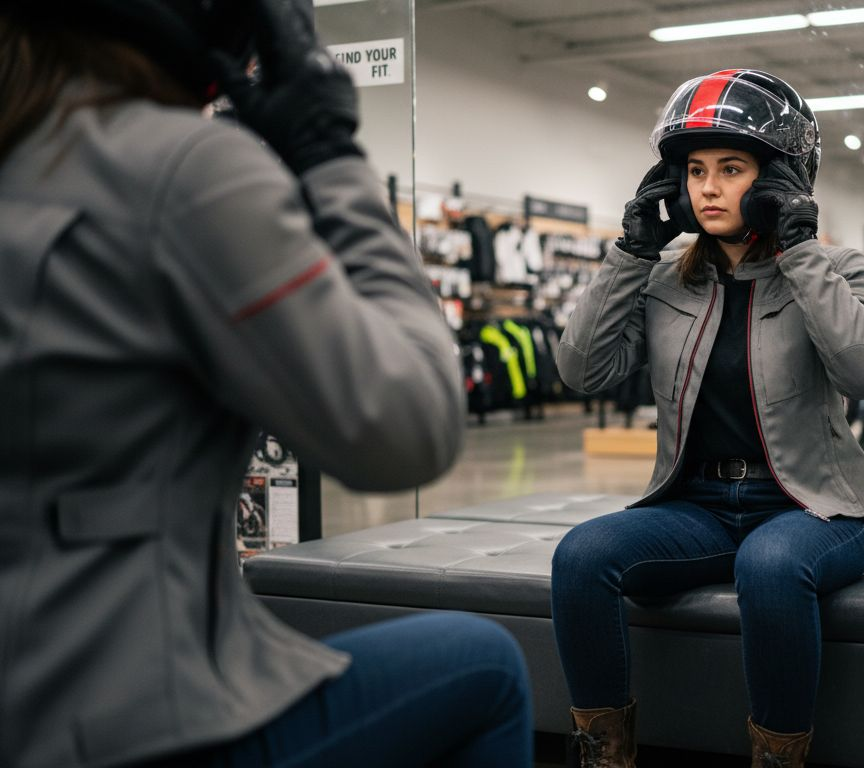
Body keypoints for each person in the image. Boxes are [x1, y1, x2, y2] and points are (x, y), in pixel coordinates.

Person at [0, 2, 531, 766]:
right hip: (132, 721)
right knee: (485, 667)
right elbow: (408, 428)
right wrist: (332, 159)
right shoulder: (180, 168)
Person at [551, 69, 864, 768]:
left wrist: (800, 252)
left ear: (778, 178)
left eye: (731, 169)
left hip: (814, 510)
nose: (706, 187)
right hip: (698, 508)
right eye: (694, 170)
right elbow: (581, 372)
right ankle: (604, 755)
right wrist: (631, 252)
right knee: (580, 556)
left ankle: (778, 759)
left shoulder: (838, 266)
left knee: (768, 564)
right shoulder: (661, 277)